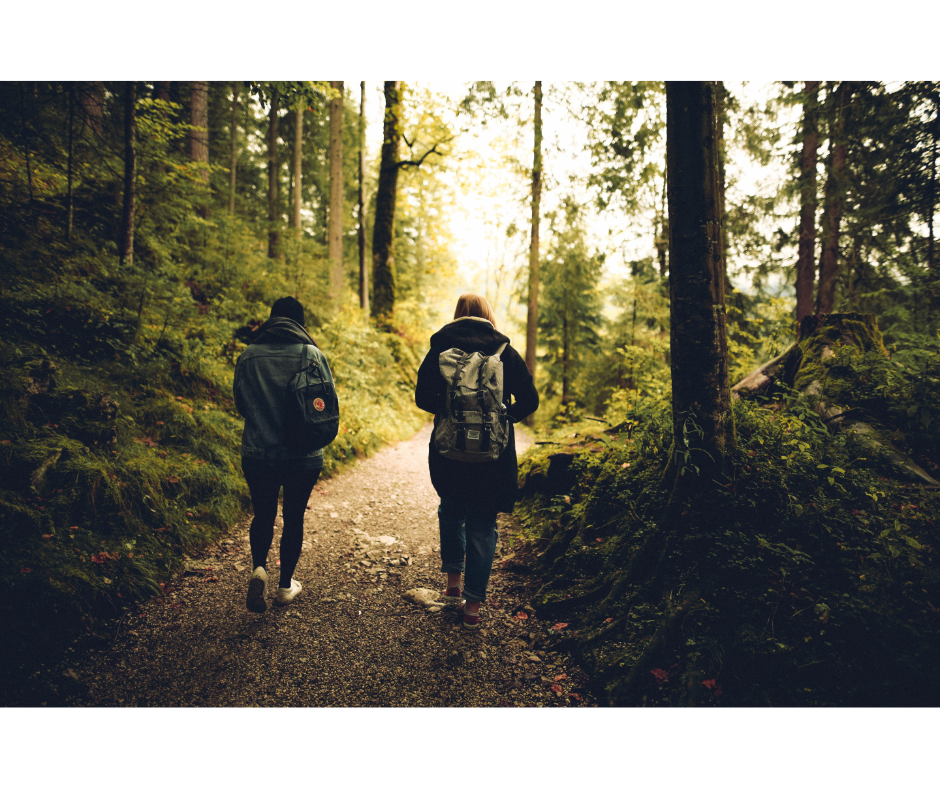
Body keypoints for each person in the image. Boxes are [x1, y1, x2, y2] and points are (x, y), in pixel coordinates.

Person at [415, 293, 539, 629]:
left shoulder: (440, 351)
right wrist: (502, 418)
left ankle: (453, 583)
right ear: (488, 316)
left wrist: (450, 412)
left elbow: (421, 397)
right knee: (483, 524)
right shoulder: (504, 352)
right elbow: (530, 400)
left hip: (449, 452)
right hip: (492, 457)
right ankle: (472, 607)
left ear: (457, 316)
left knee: (450, 509)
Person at [233, 296, 333, 613]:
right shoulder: (312, 354)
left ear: (271, 319)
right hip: (303, 456)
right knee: (293, 517)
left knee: (263, 513)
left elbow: (240, 403)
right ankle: (285, 585)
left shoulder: (248, 355)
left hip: (258, 452)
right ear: (300, 323)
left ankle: (260, 567)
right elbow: (327, 404)